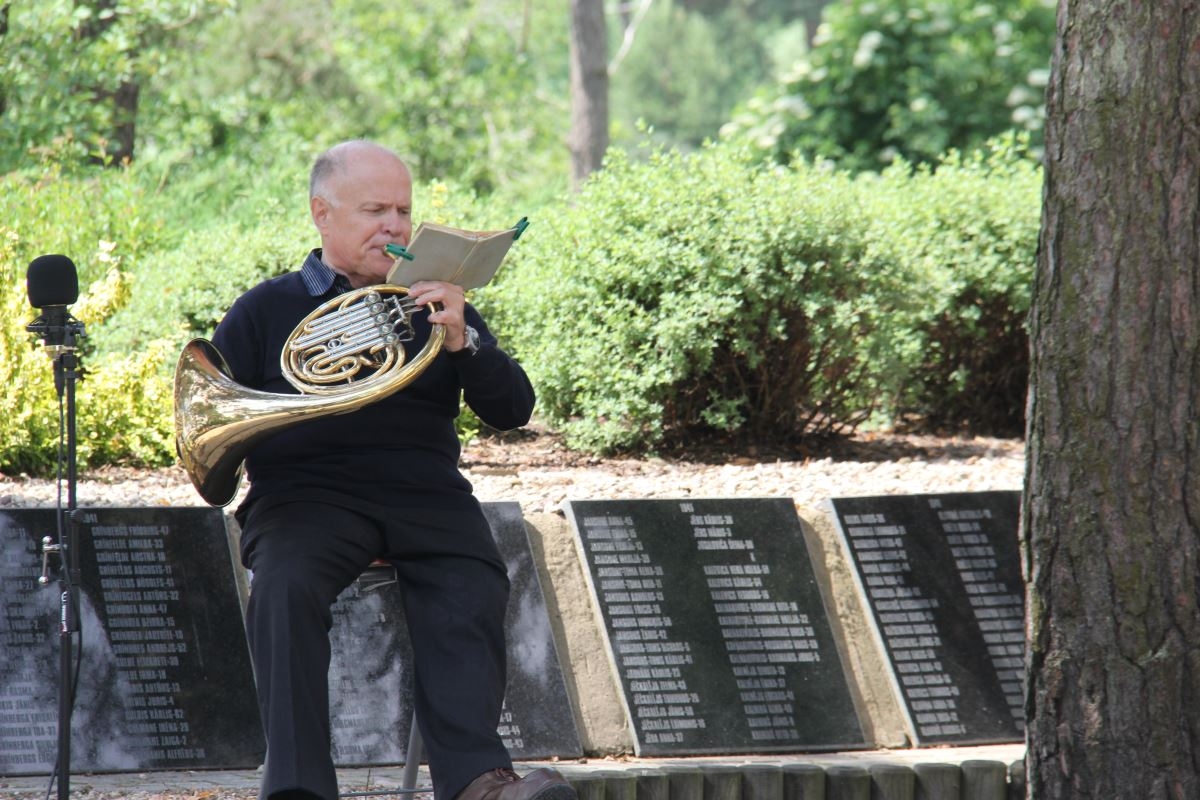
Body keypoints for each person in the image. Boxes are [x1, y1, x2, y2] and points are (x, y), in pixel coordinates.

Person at [210, 139, 576, 800]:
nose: (396, 226)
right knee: (284, 585)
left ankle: (478, 782)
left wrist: (466, 341)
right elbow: (214, 423)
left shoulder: (435, 304)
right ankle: (296, 788)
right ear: (323, 214)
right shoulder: (265, 309)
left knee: (472, 580)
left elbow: (513, 408)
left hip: (422, 493)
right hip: (305, 496)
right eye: (375, 209)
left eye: (403, 210)